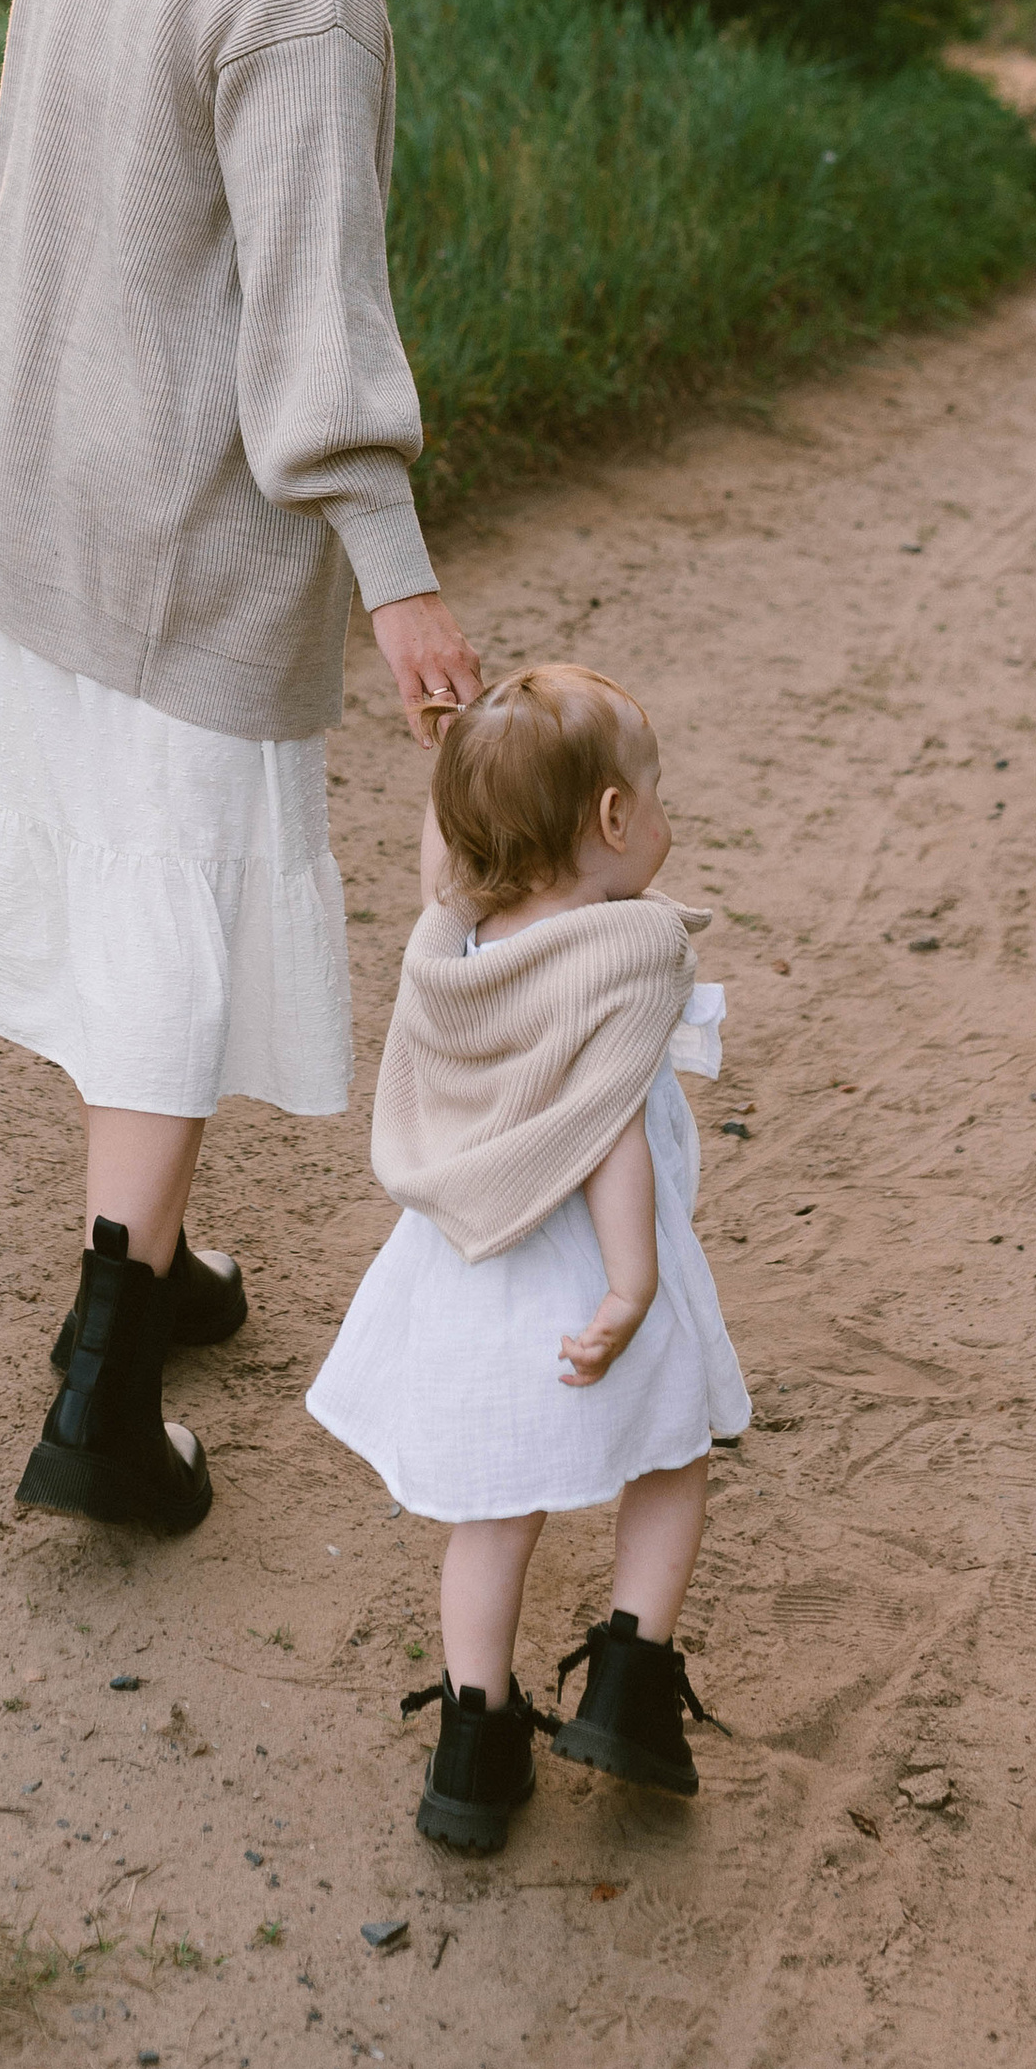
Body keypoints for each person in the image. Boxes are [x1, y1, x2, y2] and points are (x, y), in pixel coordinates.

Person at [0, 0, 531, 1534]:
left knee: (118, 870)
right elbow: (319, 325)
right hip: (178, 518)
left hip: (30, 475)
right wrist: (396, 578)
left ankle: (154, 1262)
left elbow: (13, 166)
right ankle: (103, 1389)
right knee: (170, 908)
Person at [306, 663, 750, 1852]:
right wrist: (631, 1281)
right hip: (580, 1268)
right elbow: (607, 1132)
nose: (664, 816)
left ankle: (474, 1741)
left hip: (466, 1275)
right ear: (611, 819)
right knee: (669, 1455)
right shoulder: (621, 953)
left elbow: (442, 854)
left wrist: (453, 764)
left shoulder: (451, 939)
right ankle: (626, 1681)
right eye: (653, 794)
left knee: (493, 1515)